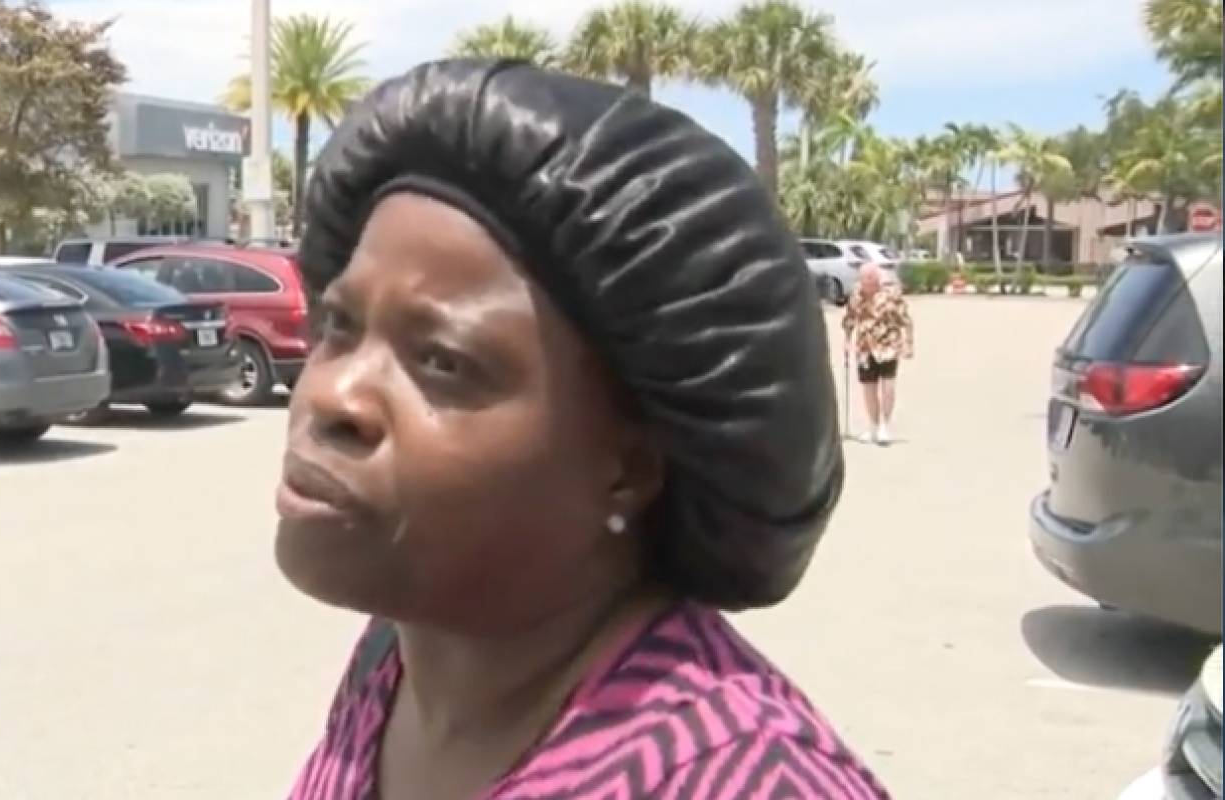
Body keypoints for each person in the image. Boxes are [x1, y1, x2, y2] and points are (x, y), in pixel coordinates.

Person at [276, 60, 886, 800]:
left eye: (442, 361)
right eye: (339, 326)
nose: (334, 395)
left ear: (628, 466)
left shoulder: (746, 783)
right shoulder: (394, 661)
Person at [842, 262, 915, 445]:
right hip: (865, 348)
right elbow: (850, 319)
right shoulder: (856, 295)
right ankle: (872, 426)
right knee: (868, 388)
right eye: (864, 279)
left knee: (887, 386)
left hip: (888, 346)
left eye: (870, 279)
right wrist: (846, 341)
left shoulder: (891, 294)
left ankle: (885, 425)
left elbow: (905, 320)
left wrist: (908, 343)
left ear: (877, 278)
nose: (866, 283)